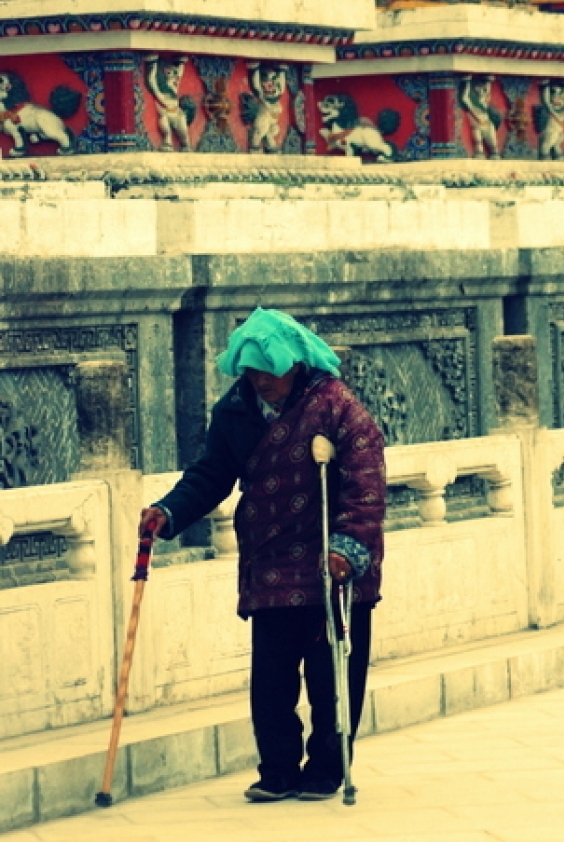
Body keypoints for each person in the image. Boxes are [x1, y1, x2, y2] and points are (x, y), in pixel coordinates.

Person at [139, 308, 386, 802]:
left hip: (331, 565)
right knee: (271, 679)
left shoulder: (337, 408)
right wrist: (169, 511)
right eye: (252, 372)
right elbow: (212, 474)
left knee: (330, 677)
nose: (262, 382)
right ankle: (277, 770)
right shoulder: (234, 412)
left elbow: (366, 484)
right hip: (270, 561)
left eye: (270, 370)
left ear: (294, 364)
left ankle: (326, 770)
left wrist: (347, 548)